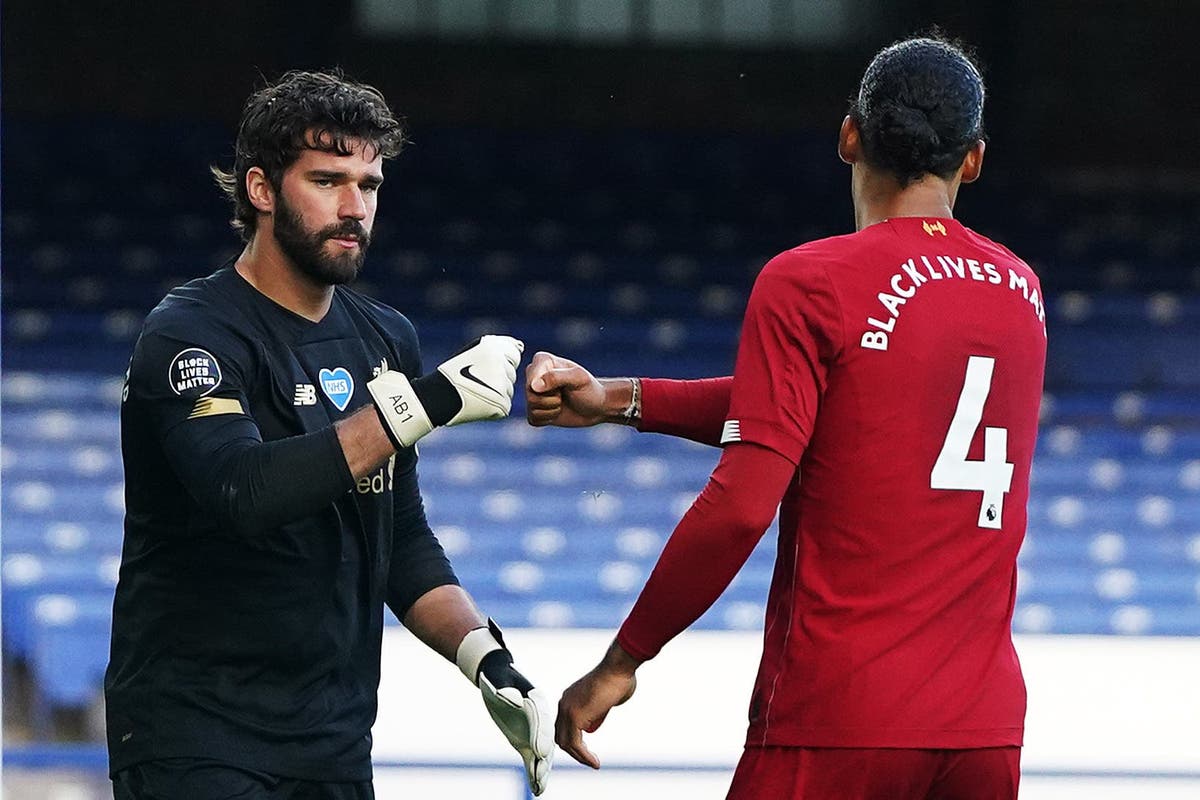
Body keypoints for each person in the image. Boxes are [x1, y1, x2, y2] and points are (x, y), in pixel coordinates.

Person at [527, 35, 1045, 799]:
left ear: (849, 136)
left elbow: (740, 506)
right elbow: (847, 401)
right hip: (984, 729)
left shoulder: (809, 281)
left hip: (838, 715)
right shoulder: (1021, 292)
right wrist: (621, 398)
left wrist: (623, 661)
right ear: (973, 159)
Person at [105, 70, 553, 799]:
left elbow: (399, 537)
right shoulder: (190, 334)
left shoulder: (386, 337)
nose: (354, 208)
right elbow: (240, 490)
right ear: (261, 189)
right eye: (327, 180)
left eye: (369, 185)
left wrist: (487, 662)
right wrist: (425, 404)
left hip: (335, 743)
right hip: (196, 738)